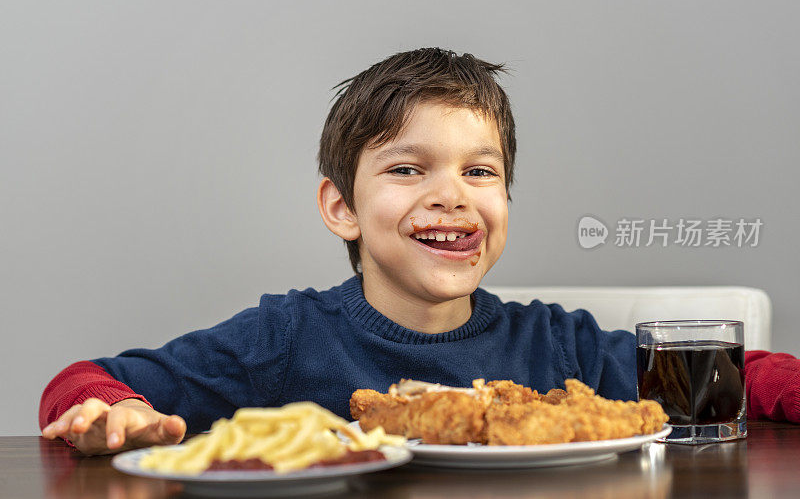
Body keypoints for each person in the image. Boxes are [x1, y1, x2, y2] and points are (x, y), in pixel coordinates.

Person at [39, 48, 800, 456]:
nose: (452, 195)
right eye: (408, 169)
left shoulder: (557, 343)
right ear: (342, 208)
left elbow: (745, 378)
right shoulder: (284, 338)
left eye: (480, 172)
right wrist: (114, 413)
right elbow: (86, 382)